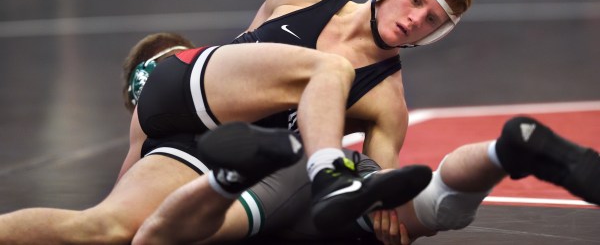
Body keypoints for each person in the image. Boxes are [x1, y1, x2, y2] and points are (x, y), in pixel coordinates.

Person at [0, 0, 473, 244]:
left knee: (105, 230)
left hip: (206, 149)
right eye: (415, 0)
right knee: (331, 68)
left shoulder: (388, 102)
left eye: (432, 19)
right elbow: (240, 53)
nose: (416, 19)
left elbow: (381, 180)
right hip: (190, 87)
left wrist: (387, 212)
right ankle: (328, 170)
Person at [131, 113, 600, 244]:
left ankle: (233, 176)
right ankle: (506, 150)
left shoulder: (157, 120)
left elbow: (126, 208)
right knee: (439, 205)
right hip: (333, 165)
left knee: (154, 237)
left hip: (272, 177)